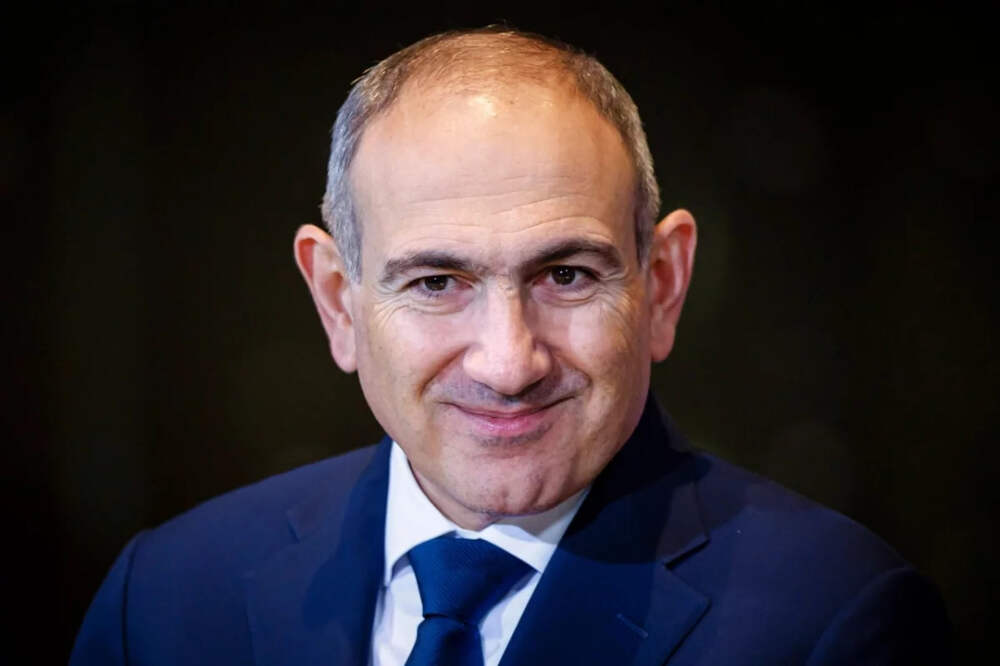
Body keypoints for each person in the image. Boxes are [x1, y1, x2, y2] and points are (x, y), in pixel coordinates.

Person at [70, 27, 952, 665]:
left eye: (566, 275)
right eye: (436, 283)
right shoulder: (165, 600)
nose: (508, 362)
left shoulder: (835, 622)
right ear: (339, 302)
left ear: (663, 285)